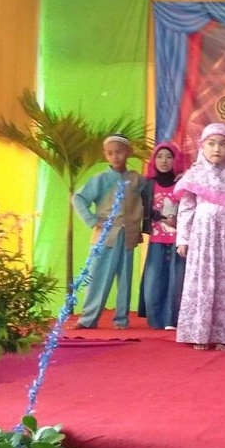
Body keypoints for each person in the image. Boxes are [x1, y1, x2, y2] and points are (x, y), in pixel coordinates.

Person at [173, 123, 225, 351]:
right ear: (202, 146)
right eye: (211, 143)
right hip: (202, 235)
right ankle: (199, 333)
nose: (217, 149)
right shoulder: (195, 173)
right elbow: (186, 208)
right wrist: (183, 239)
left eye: (223, 144)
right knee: (202, 280)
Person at [72, 133, 146, 329]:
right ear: (105, 155)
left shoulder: (136, 179)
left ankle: (121, 320)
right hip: (105, 237)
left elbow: (151, 196)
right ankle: (88, 319)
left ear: (128, 152)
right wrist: (92, 220)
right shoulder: (101, 179)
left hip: (128, 235)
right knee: (97, 277)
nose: (115, 157)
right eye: (110, 153)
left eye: (119, 152)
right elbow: (78, 198)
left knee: (125, 279)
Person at [138, 143, 186, 330]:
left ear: (176, 160)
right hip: (156, 240)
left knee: (176, 281)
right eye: (159, 156)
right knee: (153, 281)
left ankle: (172, 320)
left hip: (178, 242)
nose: (164, 161)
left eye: (169, 156)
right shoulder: (148, 185)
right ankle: (155, 320)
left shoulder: (183, 183)